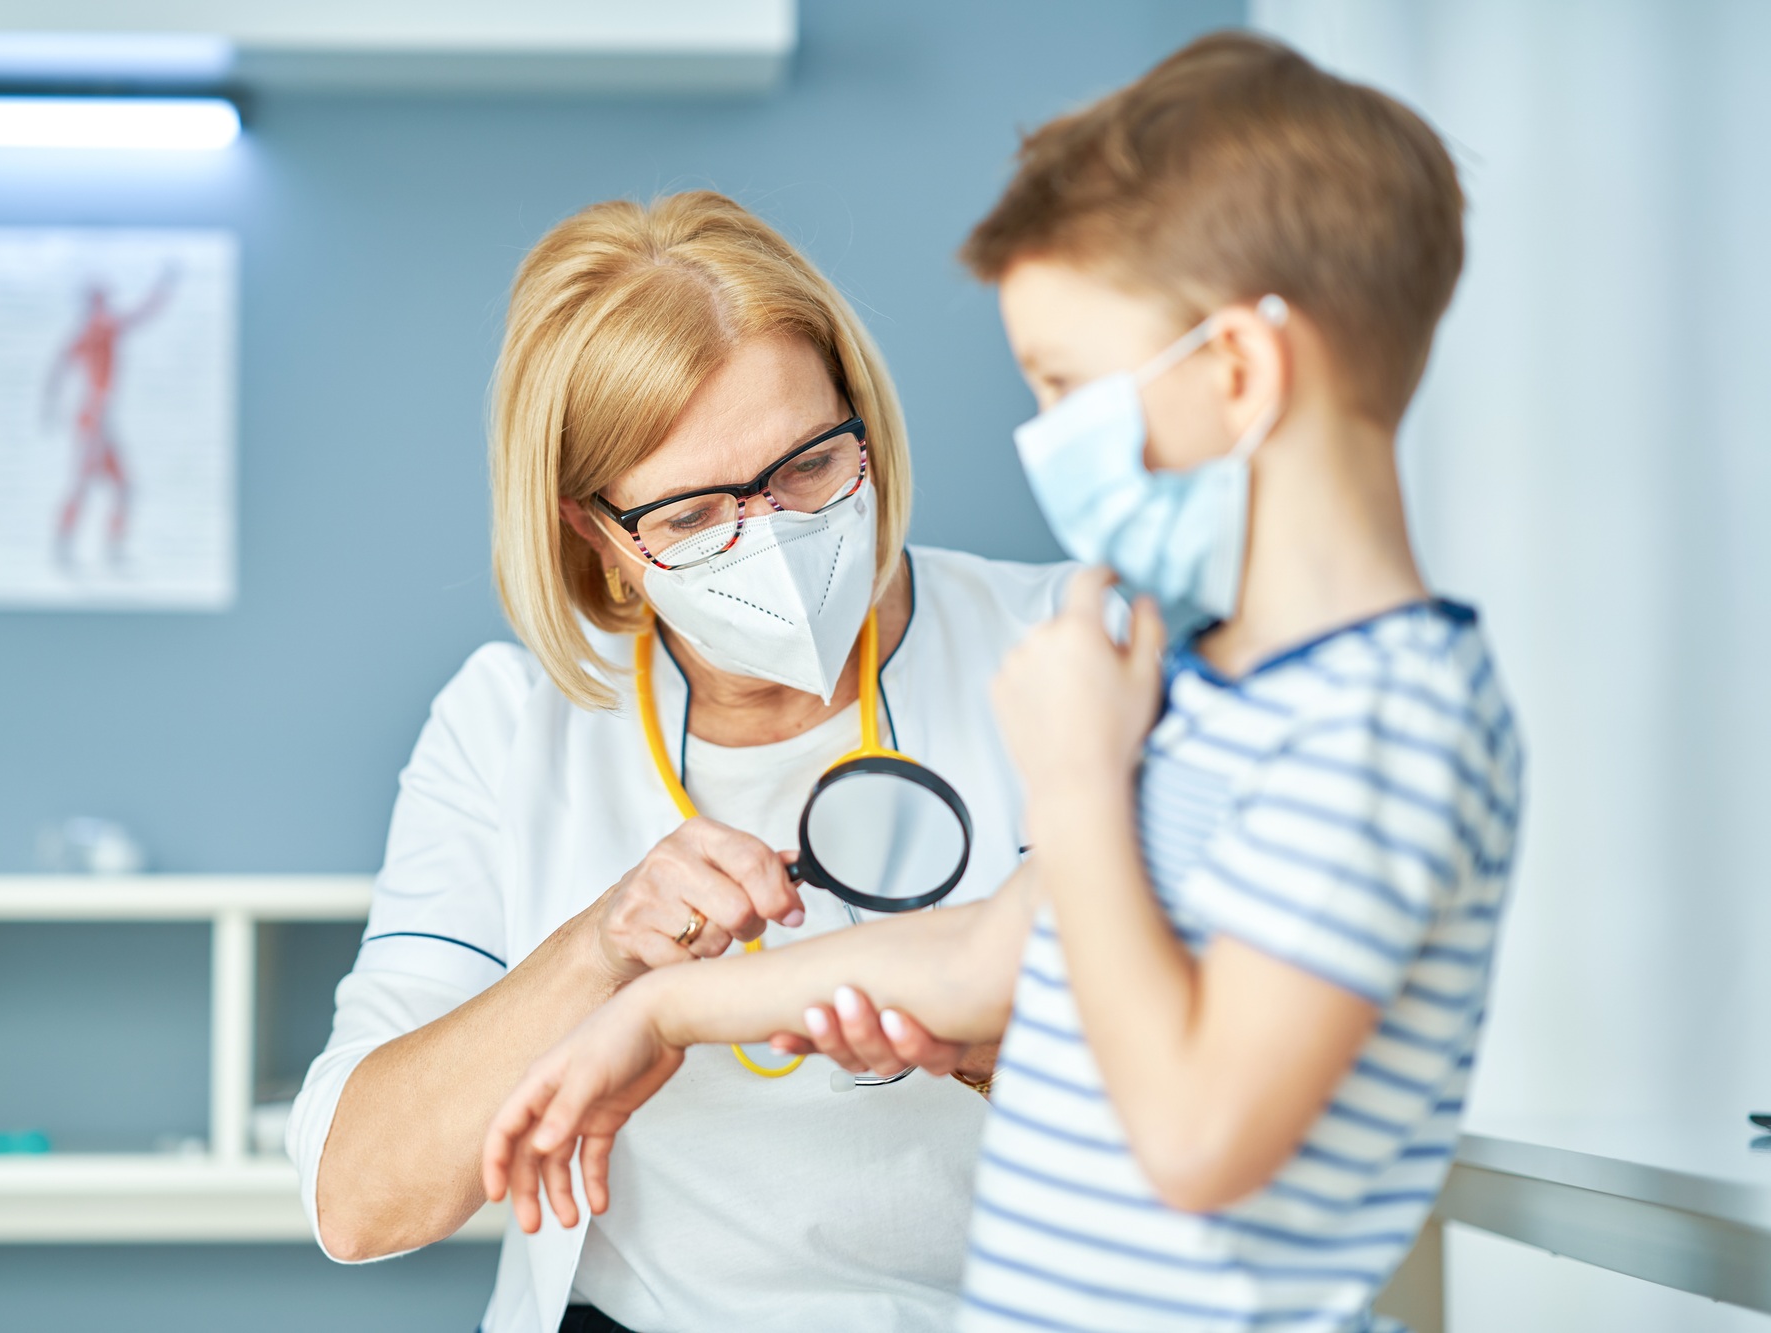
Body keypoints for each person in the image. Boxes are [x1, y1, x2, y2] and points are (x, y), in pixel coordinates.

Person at [482, 33, 1524, 1333]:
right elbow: (993, 950)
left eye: (1070, 385)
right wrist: (666, 1012)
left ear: (1243, 373)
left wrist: (1081, 785)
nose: (1047, 437)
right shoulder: (1229, 687)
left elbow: (1203, 1140)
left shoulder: (1382, 722)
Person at [288, 191, 1075, 1333]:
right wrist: (599, 953)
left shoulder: (1070, 649)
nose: (772, 536)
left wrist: (991, 1045)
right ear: (597, 534)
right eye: (697, 514)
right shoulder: (514, 724)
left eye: (808, 467)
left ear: (863, 422)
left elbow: (1235, 1097)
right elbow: (359, 1201)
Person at [42, 267, 176, 564]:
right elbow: (140, 314)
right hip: (94, 418)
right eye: (103, 299)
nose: (108, 305)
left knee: (122, 487)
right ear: (96, 301)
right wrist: (163, 289)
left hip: (100, 418)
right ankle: (64, 544)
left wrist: (50, 405)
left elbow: (58, 367)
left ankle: (110, 548)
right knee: (84, 483)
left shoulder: (86, 332)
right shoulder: (101, 327)